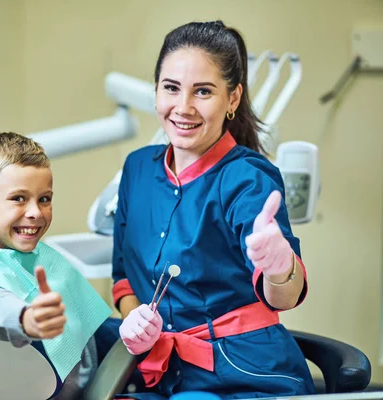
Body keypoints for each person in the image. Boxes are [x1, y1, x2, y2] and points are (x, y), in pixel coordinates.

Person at [112, 21, 316, 399]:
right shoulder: (137, 170)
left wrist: (280, 266)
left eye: (203, 91)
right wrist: (135, 322)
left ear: (233, 99)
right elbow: (124, 277)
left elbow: (283, 296)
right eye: (171, 88)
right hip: (160, 372)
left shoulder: (248, 179)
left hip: (244, 373)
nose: (183, 107)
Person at [0, 132, 113, 399]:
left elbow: (90, 328)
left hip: (98, 369)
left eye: (44, 199)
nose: (36, 213)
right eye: (18, 198)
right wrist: (26, 319)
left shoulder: (32, 256)